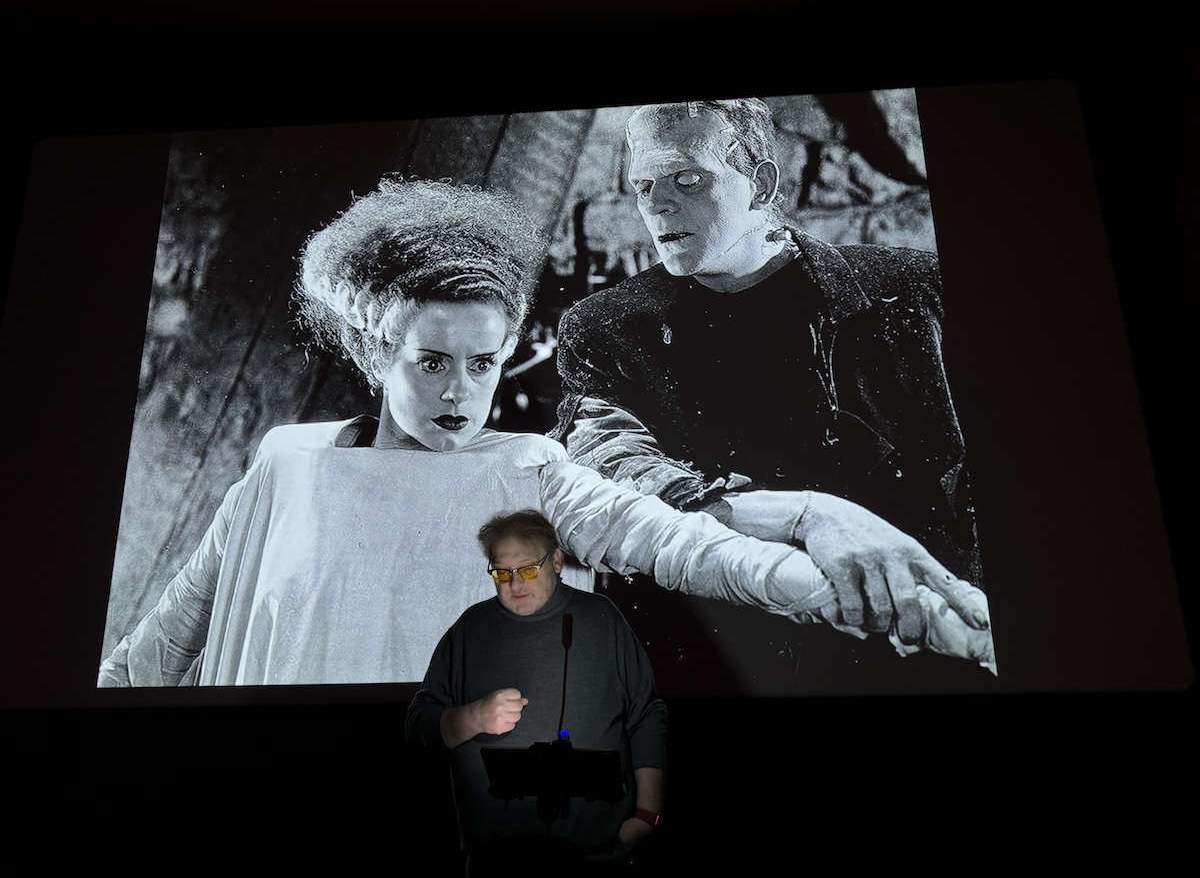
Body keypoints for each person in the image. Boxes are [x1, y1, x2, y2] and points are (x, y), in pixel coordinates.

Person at [98, 177, 992, 687]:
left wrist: (906, 605)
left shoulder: (531, 470)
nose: (461, 391)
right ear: (374, 354)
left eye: (483, 363)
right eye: (431, 362)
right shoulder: (285, 463)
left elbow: (695, 548)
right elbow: (152, 656)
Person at [552, 99, 992, 691]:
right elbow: (612, 471)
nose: (657, 205)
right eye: (644, 186)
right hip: (729, 665)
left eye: (687, 179)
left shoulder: (916, 291)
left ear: (760, 183)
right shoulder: (606, 327)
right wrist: (806, 515)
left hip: (930, 647)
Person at [407, 509, 665, 876]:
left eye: (528, 569)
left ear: (556, 562)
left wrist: (647, 815)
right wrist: (472, 717)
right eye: (502, 573)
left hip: (597, 861)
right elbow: (418, 728)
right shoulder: (470, 628)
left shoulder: (602, 618)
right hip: (495, 865)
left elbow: (646, 715)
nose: (515, 584)